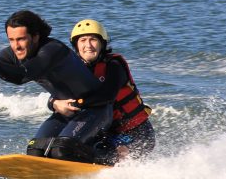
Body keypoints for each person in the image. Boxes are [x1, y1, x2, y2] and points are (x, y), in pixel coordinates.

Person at [0, 10, 113, 163]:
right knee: (35, 150)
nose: (16, 46)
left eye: (21, 39)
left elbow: (21, 75)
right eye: (11, 40)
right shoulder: (12, 54)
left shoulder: (52, 50)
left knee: (62, 149)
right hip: (65, 112)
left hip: (95, 111)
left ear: (36, 36)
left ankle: (109, 160)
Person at [51, 19, 155, 165]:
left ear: (102, 43)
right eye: (82, 40)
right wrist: (54, 103)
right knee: (63, 148)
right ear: (76, 45)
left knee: (116, 153)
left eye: (93, 40)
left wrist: (78, 103)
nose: (88, 45)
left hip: (136, 133)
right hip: (105, 133)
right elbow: (57, 94)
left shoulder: (114, 65)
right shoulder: (76, 70)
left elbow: (107, 95)